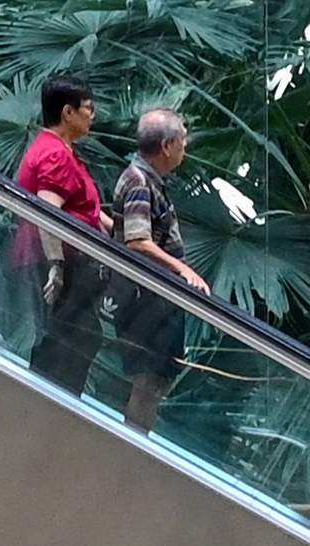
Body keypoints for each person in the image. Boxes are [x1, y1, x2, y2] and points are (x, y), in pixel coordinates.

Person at [108, 108, 208, 432]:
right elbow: (138, 240)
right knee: (147, 382)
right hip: (145, 302)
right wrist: (182, 270)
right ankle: (133, 445)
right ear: (166, 145)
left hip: (154, 302)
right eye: (181, 140)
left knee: (154, 383)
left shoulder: (148, 180)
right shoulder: (139, 182)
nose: (185, 147)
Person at [14, 78, 109, 396]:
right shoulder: (55, 154)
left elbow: (85, 206)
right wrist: (56, 264)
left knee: (78, 335)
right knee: (72, 337)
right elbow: (48, 210)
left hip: (66, 259)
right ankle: (50, 401)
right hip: (53, 259)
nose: (92, 116)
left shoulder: (65, 152)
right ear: (68, 113)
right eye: (88, 109)